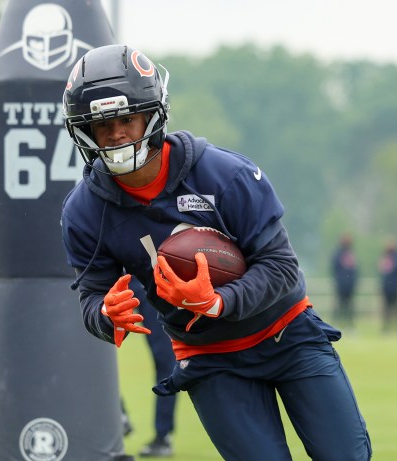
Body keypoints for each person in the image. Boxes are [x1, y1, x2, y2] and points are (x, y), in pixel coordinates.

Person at [61, 44, 372, 461]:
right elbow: (92, 299)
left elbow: (281, 268)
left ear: (153, 114)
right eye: (102, 126)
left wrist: (218, 300)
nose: (116, 134)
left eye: (126, 119)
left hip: (287, 334)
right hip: (211, 357)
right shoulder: (84, 211)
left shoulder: (225, 175)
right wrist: (105, 315)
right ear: (84, 132)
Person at [122, 281, 177, 457]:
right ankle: (118, 415)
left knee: (165, 362)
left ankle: (163, 436)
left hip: (149, 282)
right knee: (90, 349)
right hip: (112, 278)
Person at [331, 233, 359, 329]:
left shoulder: (350, 254)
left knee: (349, 306)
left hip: (349, 285)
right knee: (340, 305)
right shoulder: (339, 254)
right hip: (342, 285)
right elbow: (334, 269)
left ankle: (349, 325)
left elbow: (355, 270)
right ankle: (338, 324)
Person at [378, 239, 397, 333]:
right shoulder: (386, 258)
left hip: (394, 287)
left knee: (396, 308)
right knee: (387, 309)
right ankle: (387, 328)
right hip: (387, 287)